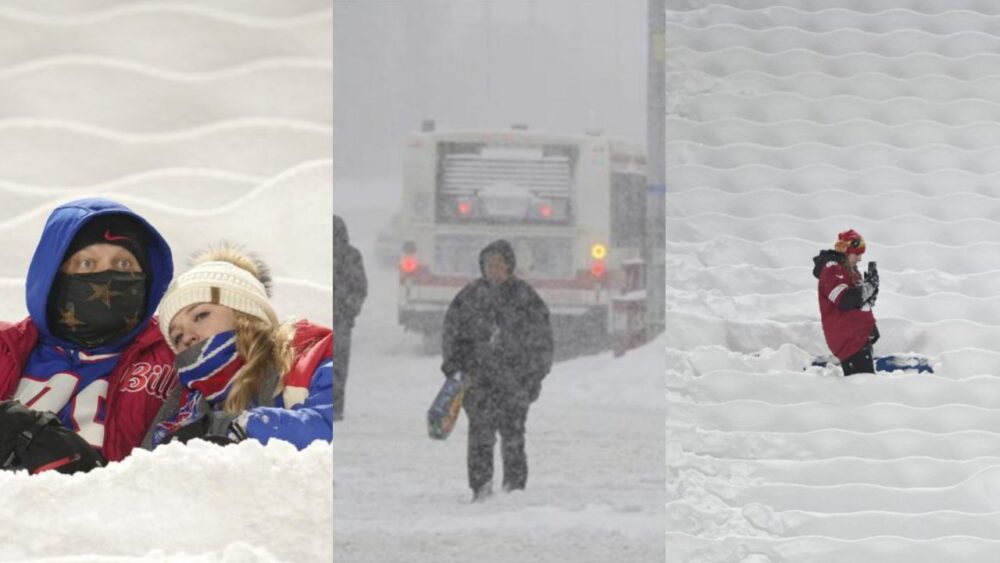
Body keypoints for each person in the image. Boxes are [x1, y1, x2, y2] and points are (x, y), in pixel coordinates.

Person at [0, 198, 175, 473]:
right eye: (86, 263)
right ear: (53, 276)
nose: (107, 277)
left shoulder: (174, 355)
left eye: (124, 264)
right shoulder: (5, 346)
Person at [143, 245, 333, 449]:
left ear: (244, 311)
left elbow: (330, 429)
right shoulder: (183, 408)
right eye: (177, 336)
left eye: (200, 315)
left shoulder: (313, 357)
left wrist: (243, 427)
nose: (187, 337)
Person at [441, 239, 553, 502]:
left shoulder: (526, 298)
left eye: (499, 264)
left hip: (516, 382)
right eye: (489, 264)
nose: (494, 269)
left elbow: (543, 340)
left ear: (509, 266)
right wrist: (454, 368)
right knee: (480, 434)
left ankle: (514, 487)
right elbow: (451, 334)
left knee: (513, 434)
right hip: (477, 382)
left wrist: (534, 375)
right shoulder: (468, 297)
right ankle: (480, 486)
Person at [812, 229, 880, 376]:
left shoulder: (852, 271)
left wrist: (872, 291)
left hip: (859, 337)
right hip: (849, 340)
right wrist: (869, 288)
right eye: (857, 254)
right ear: (845, 251)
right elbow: (844, 300)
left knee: (867, 385)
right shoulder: (832, 270)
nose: (860, 258)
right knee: (864, 388)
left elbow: (862, 303)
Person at [332, 215, 367, 421]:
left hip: (339, 320)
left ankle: (334, 408)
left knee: (336, 365)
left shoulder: (351, 256)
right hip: (335, 319)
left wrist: (347, 312)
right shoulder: (351, 255)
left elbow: (359, 288)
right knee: (334, 366)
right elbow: (360, 288)